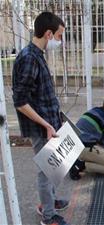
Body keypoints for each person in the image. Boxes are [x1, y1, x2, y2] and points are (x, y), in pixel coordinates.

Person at [12, 12, 69, 225]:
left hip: (50, 124)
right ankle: (48, 216)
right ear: (48, 33)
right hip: (40, 128)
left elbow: (40, 94)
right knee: (47, 171)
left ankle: (48, 202)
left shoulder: (37, 55)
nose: (60, 41)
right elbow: (20, 101)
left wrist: (56, 118)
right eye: (59, 36)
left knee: (54, 167)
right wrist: (46, 124)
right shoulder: (28, 58)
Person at [69, 94, 104, 180]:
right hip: (85, 148)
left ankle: (80, 161)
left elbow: (98, 132)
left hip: (74, 146)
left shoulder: (95, 110)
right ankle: (82, 165)